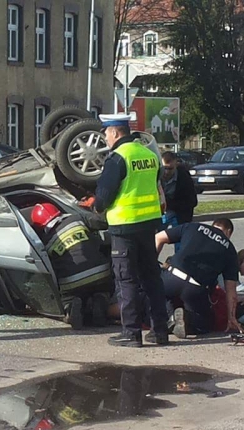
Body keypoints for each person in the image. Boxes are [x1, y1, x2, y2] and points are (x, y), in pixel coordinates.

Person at [94, 114, 169, 347]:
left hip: (124, 227)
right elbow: (157, 183)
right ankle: (160, 331)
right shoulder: (150, 155)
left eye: (106, 133)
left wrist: (96, 206)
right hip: (148, 225)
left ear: (115, 133)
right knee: (152, 279)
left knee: (126, 280)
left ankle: (131, 333)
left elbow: (103, 197)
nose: (105, 138)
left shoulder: (117, 158)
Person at [30, 202, 118, 329]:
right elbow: (102, 222)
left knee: (68, 294)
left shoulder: (45, 241)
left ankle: (70, 306)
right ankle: (100, 300)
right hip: (100, 272)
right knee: (103, 288)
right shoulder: (77, 219)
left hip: (73, 280)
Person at [154, 218, 242, 340]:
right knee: (205, 323)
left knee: (157, 296)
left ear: (213, 225)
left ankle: (169, 318)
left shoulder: (193, 227)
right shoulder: (230, 250)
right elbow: (231, 289)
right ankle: (185, 317)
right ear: (228, 232)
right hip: (194, 287)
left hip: (171, 277)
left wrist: (151, 267)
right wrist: (231, 317)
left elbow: (158, 237)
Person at [160, 151, 198, 231]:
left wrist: (170, 205)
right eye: (164, 168)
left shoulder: (184, 177)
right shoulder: (156, 175)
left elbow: (192, 201)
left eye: (170, 169)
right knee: (155, 238)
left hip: (179, 212)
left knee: (180, 239)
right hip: (160, 212)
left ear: (176, 165)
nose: (166, 172)